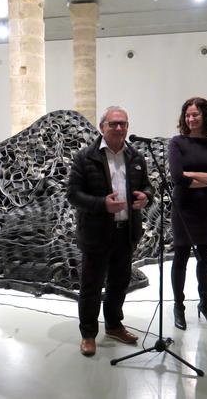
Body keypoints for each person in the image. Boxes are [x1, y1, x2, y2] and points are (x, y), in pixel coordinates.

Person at [67, 106, 154, 356]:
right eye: (113, 124)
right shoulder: (85, 157)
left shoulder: (135, 157)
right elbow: (73, 194)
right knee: (91, 287)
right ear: (102, 127)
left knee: (119, 283)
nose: (119, 128)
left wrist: (146, 196)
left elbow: (148, 186)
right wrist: (102, 204)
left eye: (123, 124)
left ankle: (114, 326)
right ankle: (88, 334)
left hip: (125, 233)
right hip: (96, 233)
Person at [168, 97, 207, 330]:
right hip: (183, 207)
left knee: (205, 259)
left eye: (195, 114)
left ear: (205, 116)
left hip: (206, 207)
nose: (191, 119)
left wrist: (192, 175)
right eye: (187, 115)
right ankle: (179, 307)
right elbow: (177, 177)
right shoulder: (177, 142)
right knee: (180, 259)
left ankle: (205, 304)